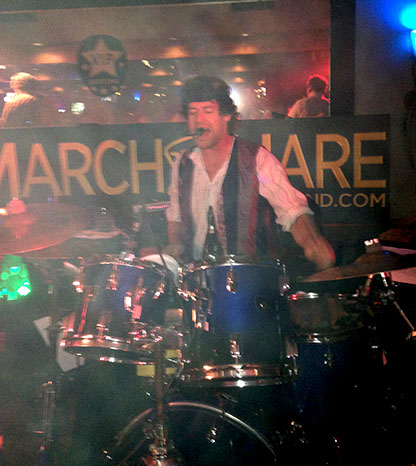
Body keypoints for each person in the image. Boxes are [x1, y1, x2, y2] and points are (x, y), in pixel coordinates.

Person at [165, 75, 335, 271]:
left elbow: (293, 211)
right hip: (194, 280)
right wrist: (175, 244)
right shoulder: (183, 163)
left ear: (226, 115)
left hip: (249, 279)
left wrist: (313, 243)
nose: (199, 121)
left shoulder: (257, 159)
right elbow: (175, 217)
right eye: (193, 113)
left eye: (207, 111)